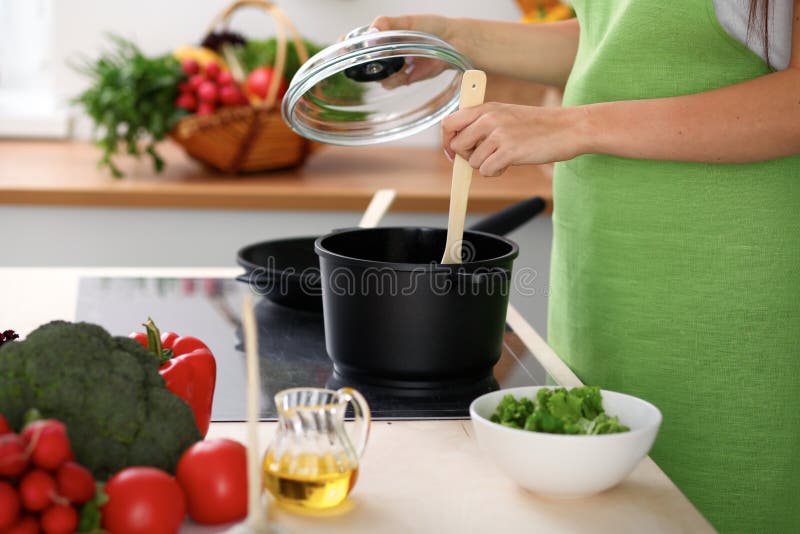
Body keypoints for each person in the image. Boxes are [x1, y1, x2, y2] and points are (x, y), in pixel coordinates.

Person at [373, 2, 799, 532]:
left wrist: (575, 125)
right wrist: (451, 36)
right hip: (604, 285)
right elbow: (617, 46)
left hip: (725, 300)